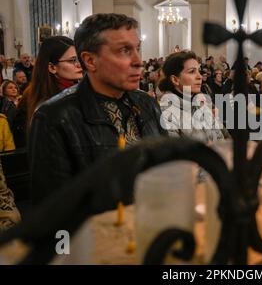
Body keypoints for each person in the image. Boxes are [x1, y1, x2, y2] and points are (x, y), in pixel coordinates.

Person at [29, 13, 166, 205]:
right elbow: (51, 211)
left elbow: (166, 169)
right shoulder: (54, 117)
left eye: (138, 49)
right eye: (124, 51)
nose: (138, 61)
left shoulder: (147, 103)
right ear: (90, 61)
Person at [13, 36, 84, 149]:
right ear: (52, 67)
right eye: (72, 60)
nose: (79, 65)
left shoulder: (78, 91)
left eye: (79, 59)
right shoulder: (39, 99)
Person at [158, 51, 225, 143]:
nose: (200, 76)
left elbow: (219, 137)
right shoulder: (166, 113)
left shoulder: (201, 104)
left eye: (198, 70)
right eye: (192, 71)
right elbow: (175, 153)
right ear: (175, 79)